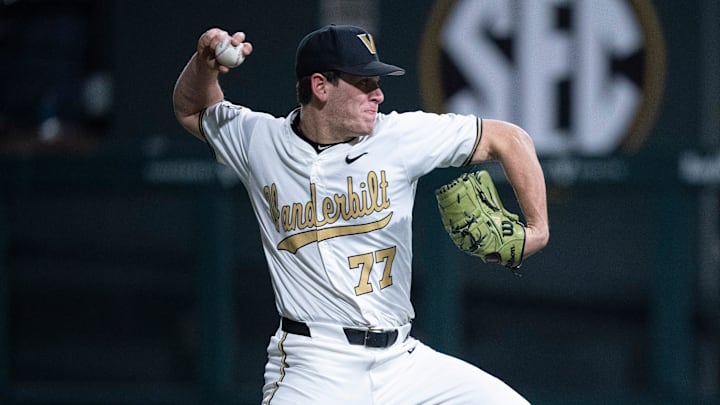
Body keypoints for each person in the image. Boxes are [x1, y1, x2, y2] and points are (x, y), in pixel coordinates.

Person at [173, 24, 549, 405]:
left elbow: (509, 139)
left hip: (401, 362)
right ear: (320, 86)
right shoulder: (260, 141)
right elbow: (192, 108)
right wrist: (204, 64)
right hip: (315, 364)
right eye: (365, 83)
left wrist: (537, 229)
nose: (379, 94)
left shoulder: (399, 137)